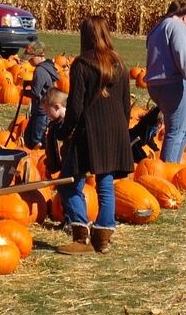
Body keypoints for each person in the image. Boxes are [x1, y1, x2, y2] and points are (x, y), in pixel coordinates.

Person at [55, 16, 133, 255]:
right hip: (116, 129)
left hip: (90, 131)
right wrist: (121, 129)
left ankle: (81, 236)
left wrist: (64, 132)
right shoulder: (119, 63)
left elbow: (76, 107)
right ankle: (103, 237)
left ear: (85, 36)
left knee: (68, 183)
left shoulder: (82, 64)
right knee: (105, 184)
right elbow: (125, 104)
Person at [144, 0, 186, 163]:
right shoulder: (177, 27)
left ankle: (174, 164)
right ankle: (168, 169)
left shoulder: (157, 28)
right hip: (172, 83)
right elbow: (181, 54)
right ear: (185, 17)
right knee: (175, 131)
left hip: (155, 83)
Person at [22, 41, 59, 149]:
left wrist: (24, 92)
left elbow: (35, 93)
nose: (29, 60)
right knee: (29, 137)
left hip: (41, 111)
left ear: (40, 55)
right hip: (44, 110)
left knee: (36, 140)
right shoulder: (47, 68)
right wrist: (30, 83)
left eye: (31, 57)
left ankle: (40, 160)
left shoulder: (39, 71)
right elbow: (43, 84)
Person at [41, 87, 68, 176]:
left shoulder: (67, 126)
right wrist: (49, 166)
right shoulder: (53, 125)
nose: (47, 115)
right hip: (59, 169)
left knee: (67, 189)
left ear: (57, 107)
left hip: (68, 168)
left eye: (47, 112)